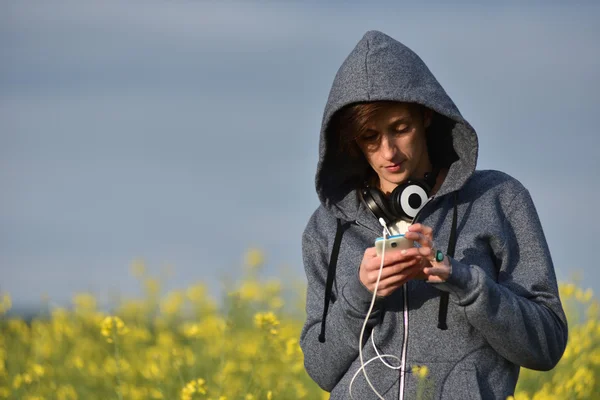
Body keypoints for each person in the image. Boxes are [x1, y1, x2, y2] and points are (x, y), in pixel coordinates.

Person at [299, 30, 567, 400]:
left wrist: (462, 280)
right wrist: (362, 294)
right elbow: (320, 368)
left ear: (426, 115)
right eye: (370, 138)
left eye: (400, 129)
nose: (388, 151)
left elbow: (547, 345)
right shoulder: (326, 228)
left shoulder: (498, 199)